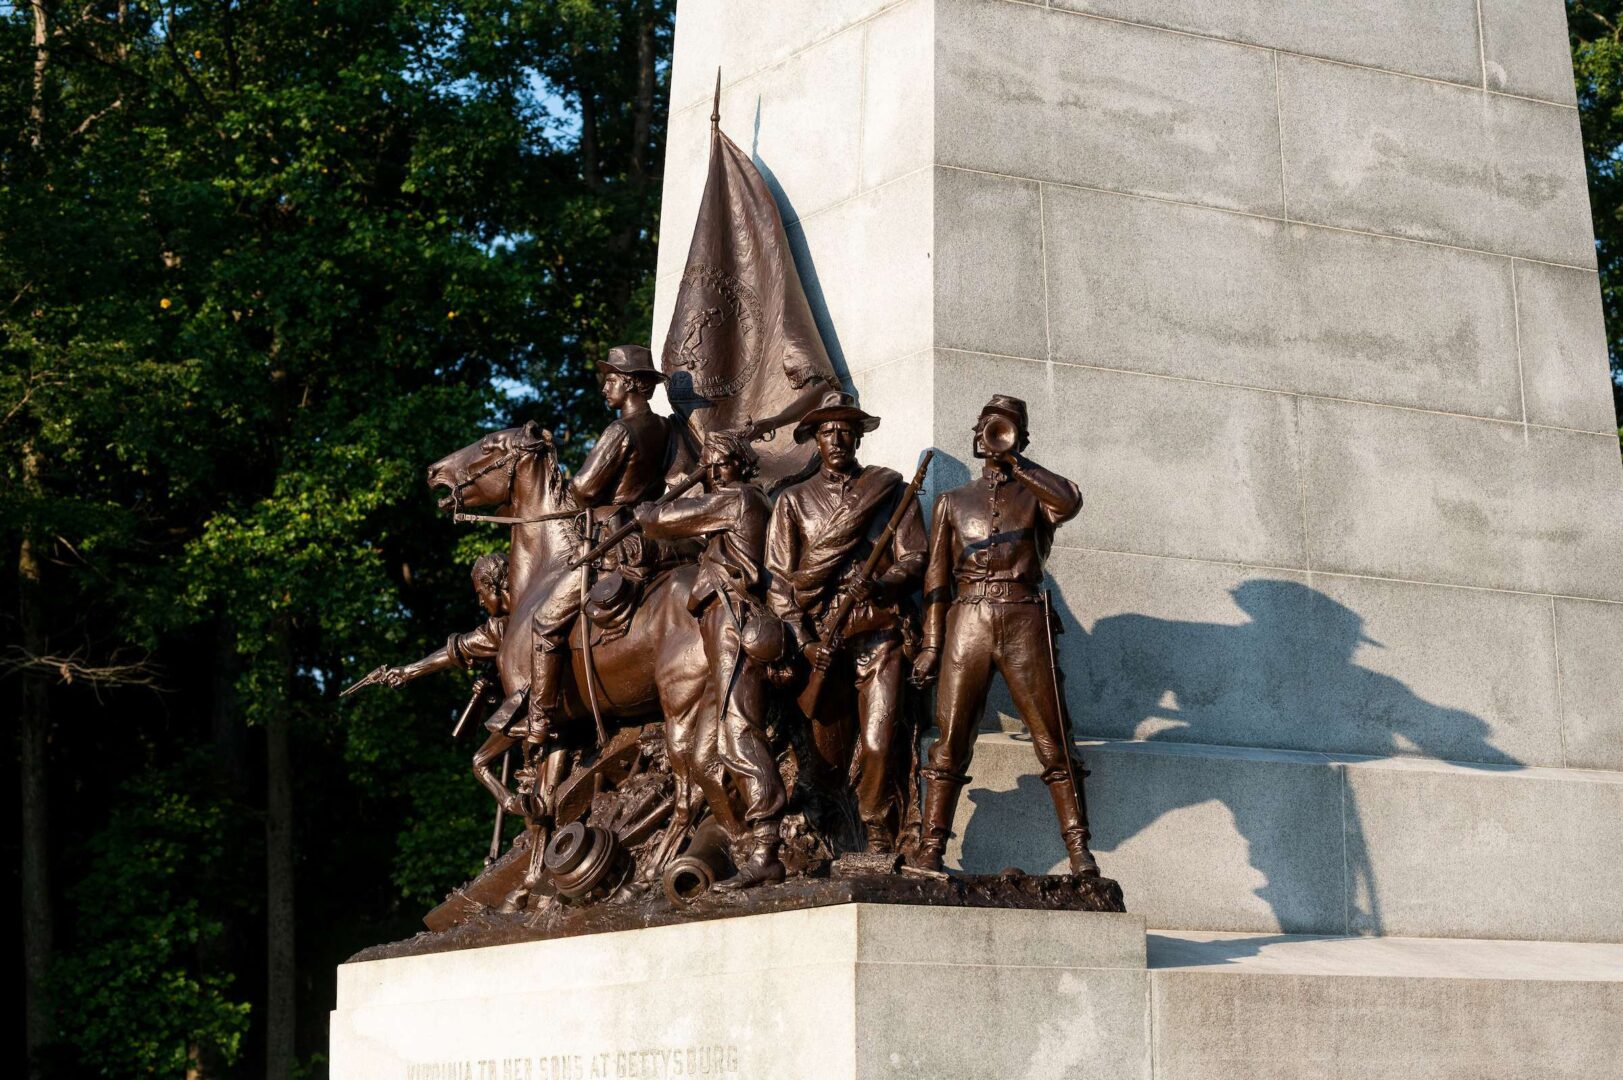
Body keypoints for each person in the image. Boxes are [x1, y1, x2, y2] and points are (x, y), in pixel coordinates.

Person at [910, 395, 1100, 877]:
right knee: (950, 740)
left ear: (1022, 437)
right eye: (987, 427)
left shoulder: (1038, 495)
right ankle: (931, 848)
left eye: (1005, 427)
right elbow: (935, 580)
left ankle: (1079, 851)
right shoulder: (952, 501)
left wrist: (1017, 460)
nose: (991, 434)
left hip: (1023, 618)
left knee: (1054, 739)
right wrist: (932, 645)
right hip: (966, 619)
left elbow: (1071, 501)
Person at [765, 390, 926, 853]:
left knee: (878, 743)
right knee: (825, 758)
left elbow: (915, 555)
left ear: (858, 437)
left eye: (846, 430)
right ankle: (826, 836)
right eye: (828, 431)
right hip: (822, 641)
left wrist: (883, 584)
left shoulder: (890, 493)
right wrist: (804, 640)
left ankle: (878, 830)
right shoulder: (792, 502)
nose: (837, 439)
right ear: (815, 438)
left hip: (878, 633)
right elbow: (779, 581)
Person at [635, 429, 787, 890]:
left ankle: (768, 850)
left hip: (733, 623)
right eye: (708, 462)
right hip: (713, 627)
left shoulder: (738, 500)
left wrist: (650, 507)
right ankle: (740, 846)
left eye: (719, 461)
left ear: (739, 464)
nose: (712, 469)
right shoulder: (728, 504)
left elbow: (660, 521)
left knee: (739, 733)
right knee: (704, 758)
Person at [528, 344, 692, 741]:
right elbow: (679, 479)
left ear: (633, 385)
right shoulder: (668, 429)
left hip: (612, 537)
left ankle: (541, 717)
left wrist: (569, 486)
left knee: (545, 621)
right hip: (652, 534)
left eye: (612, 379)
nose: (605, 387)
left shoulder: (619, 430)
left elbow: (584, 489)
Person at [375, 554, 521, 811]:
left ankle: (514, 803)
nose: (480, 601)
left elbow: (455, 651)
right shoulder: (517, 615)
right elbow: (458, 649)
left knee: (480, 762)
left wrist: (408, 672)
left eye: (481, 593)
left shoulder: (503, 627)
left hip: (538, 701)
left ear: (494, 586)